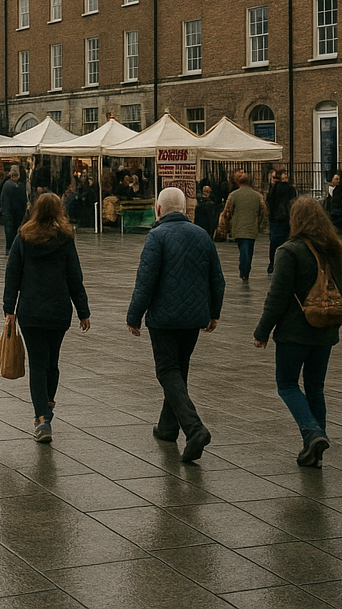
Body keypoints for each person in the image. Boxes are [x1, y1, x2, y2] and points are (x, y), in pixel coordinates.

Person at [126, 187, 225, 463]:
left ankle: (195, 429)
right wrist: (213, 312)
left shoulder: (157, 236)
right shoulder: (202, 235)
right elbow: (217, 278)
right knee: (179, 370)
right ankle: (168, 427)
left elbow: (145, 281)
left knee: (168, 371)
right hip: (194, 318)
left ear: (158, 210)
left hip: (164, 318)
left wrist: (134, 315)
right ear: (185, 209)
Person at [253, 196, 342, 467]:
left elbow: (278, 296)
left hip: (294, 332)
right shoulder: (334, 249)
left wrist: (262, 331)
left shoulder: (290, 250)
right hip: (326, 330)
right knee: (315, 387)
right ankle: (315, 451)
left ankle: (312, 432)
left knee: (287, 384)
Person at [3, 192, 90, 443]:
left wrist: (9, 308)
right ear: (59, 211)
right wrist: (83, 311)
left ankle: (42, 418)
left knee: (38, 365)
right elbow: (75, 277)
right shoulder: (65, 238)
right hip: (58, 310)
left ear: (36, 210)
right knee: (53, 362)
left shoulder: (24, 237)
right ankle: (48, 408)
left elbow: (13, 274)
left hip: (30, 311)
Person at [222, 171, 268, 281]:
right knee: (248, 250)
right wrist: (261, 225)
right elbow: (264, 212)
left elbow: (227, 212)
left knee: (243, 249)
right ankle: (245, 270)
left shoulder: (233, 195)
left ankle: (244, 270)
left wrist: (227, 225)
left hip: (238, 227)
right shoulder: (258, 196)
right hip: (251, 228)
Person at [265, 168, 297, 273]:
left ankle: (272, 264)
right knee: (286, 241)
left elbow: (269, 201)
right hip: (286, 218)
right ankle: (285, 263)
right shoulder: (290, 189)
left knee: (274, 243)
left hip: (275, 219)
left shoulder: (274, 188)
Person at [0, 165, 29, 255]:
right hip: (17, 213)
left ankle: (10, 248)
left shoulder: (6, 185)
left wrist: (4, 211)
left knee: (9, 230)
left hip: (10, 212)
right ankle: (14, 249)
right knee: (15, 230)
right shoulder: (20, 186)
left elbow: (3, 199)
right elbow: (24, 200)